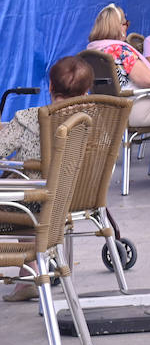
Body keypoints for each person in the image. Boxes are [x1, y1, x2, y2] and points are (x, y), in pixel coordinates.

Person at [0, 55, 94, 301]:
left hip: (33, 203)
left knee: (21, 189)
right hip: (78, 196)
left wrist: (7, 128)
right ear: (86, 92)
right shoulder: (96, 121)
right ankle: (29, 274)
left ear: (50, 86)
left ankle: (31, 268)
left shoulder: (30, 118)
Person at [86, 4, 150, 127]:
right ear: (119, 27)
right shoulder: (119, 50)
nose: (127, 28)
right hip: (136, 109)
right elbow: (149, 80)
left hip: (110, 115)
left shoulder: (93, 52)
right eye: (126, 24)